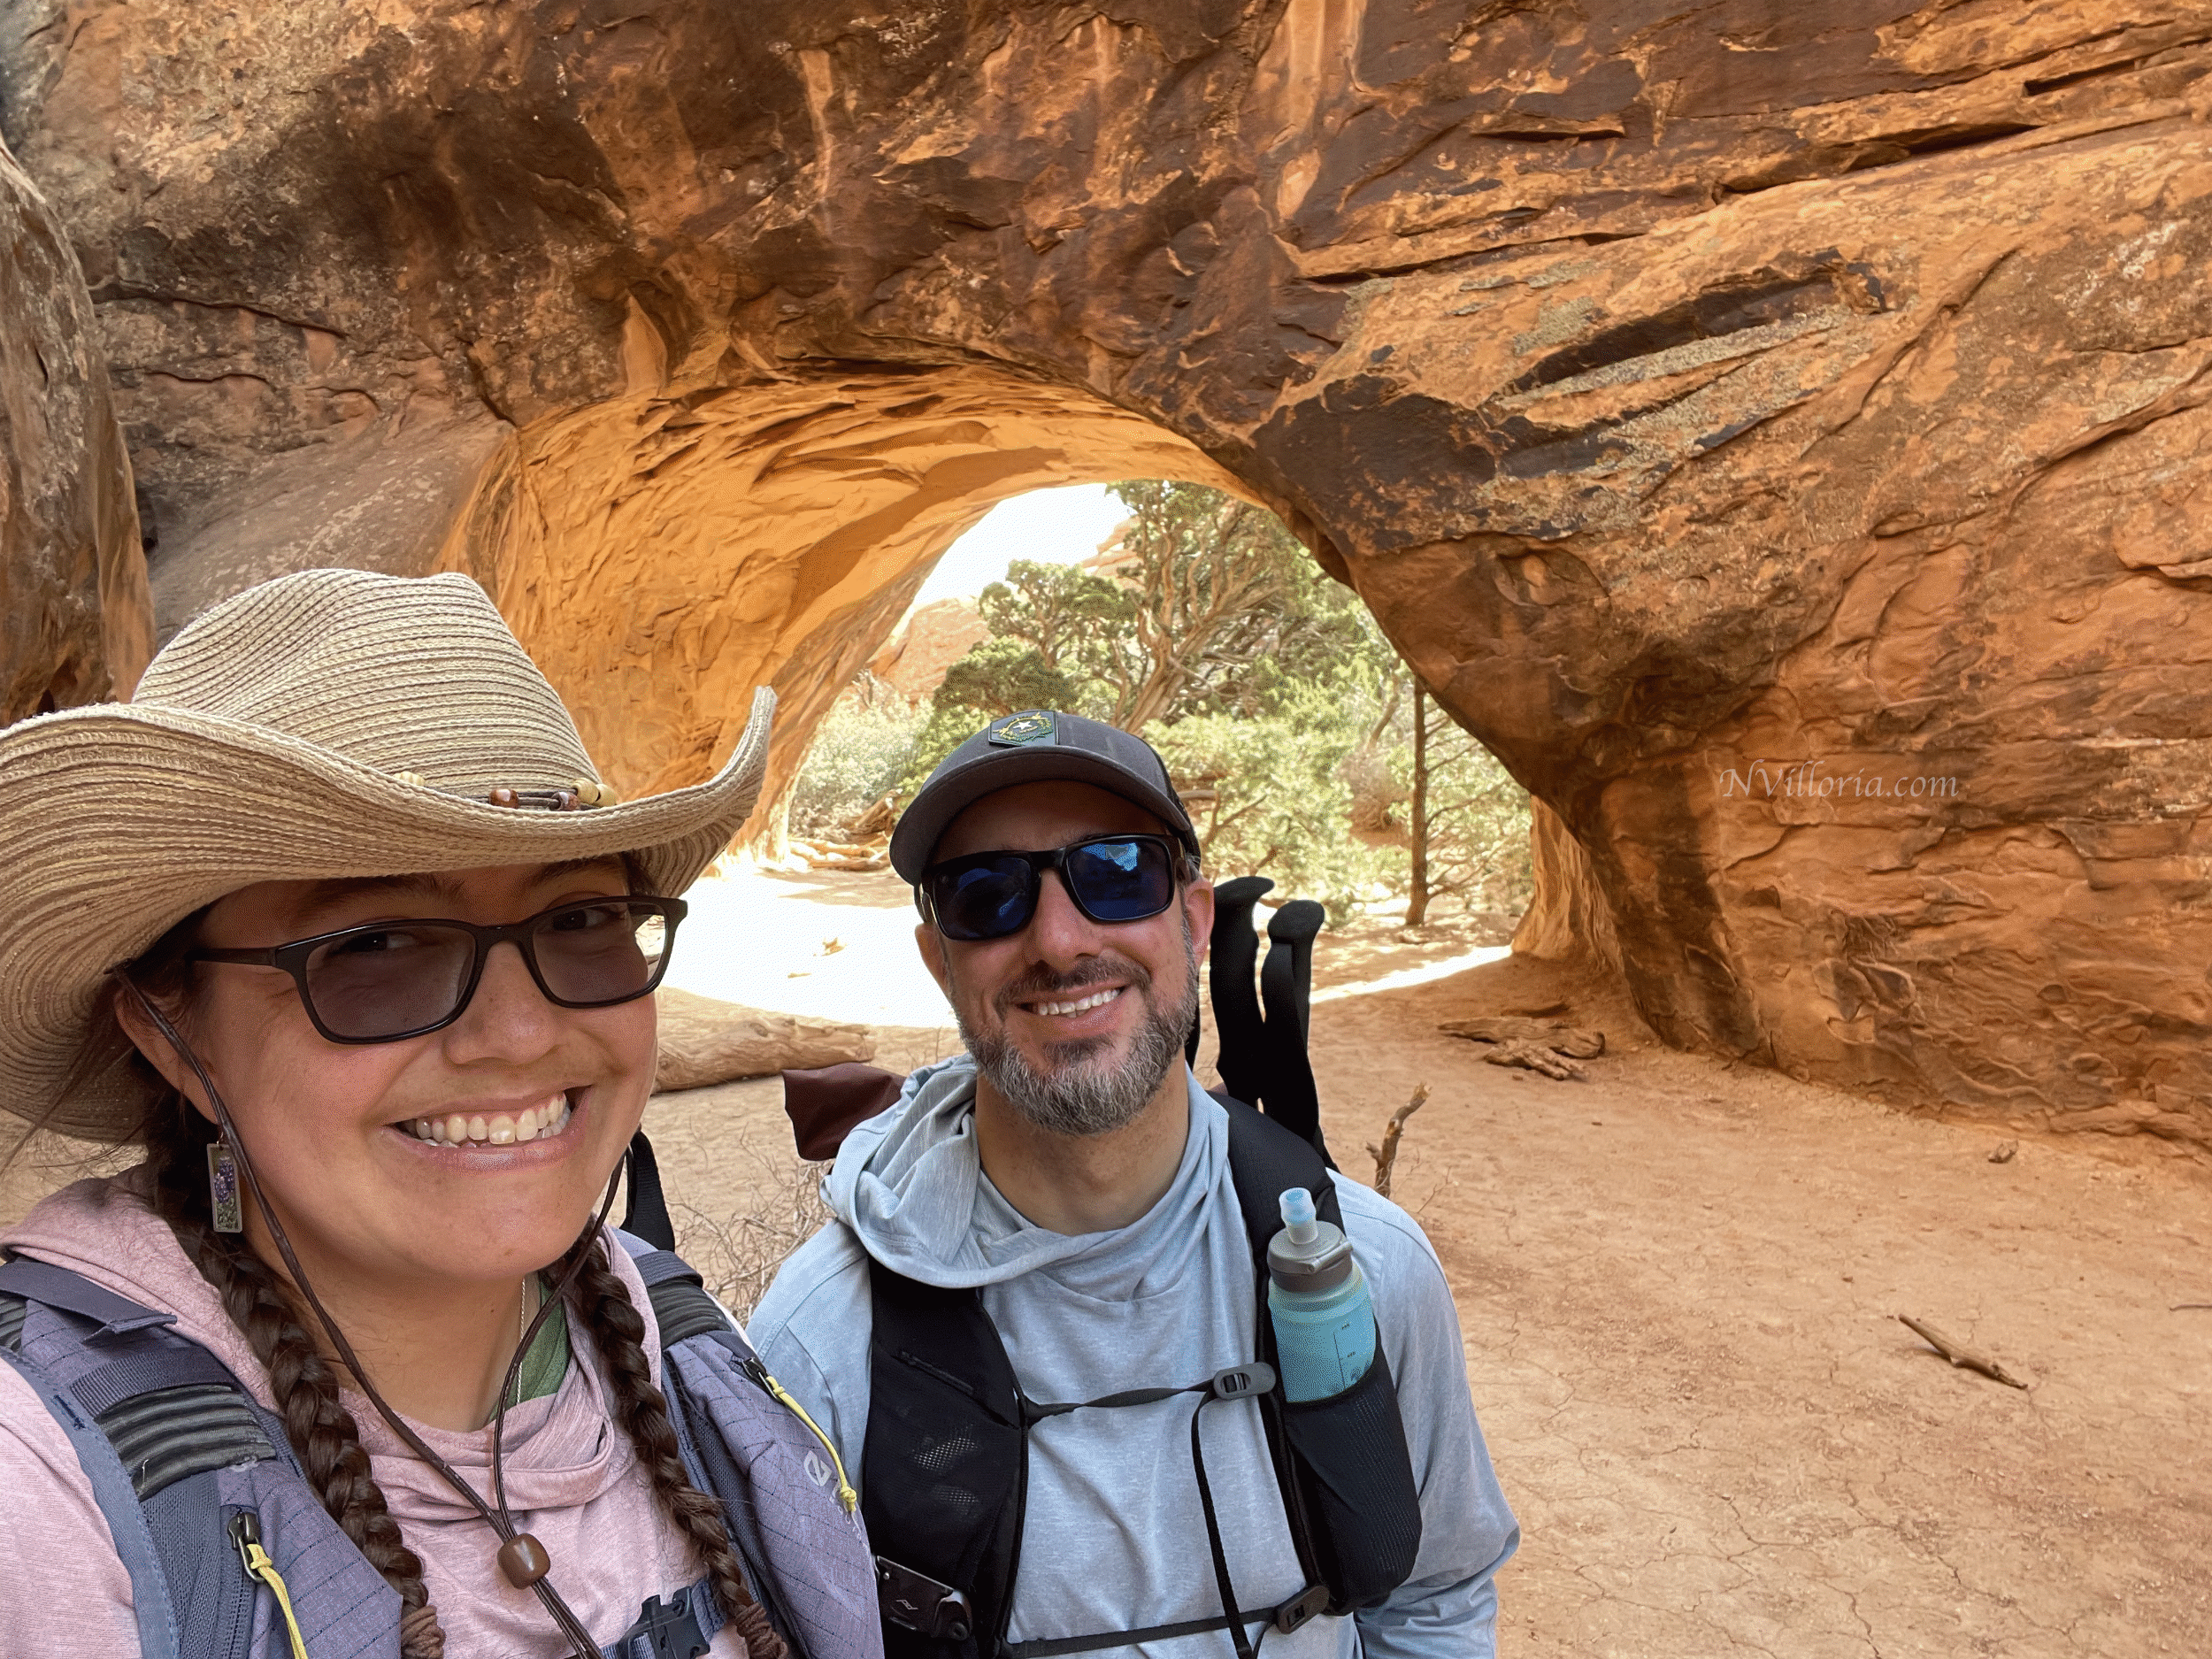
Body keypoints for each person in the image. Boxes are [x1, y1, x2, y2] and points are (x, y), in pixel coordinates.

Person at [0, 569, 879, 1659]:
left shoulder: (669, 1335)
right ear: (166, 1034)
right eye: (374, 947)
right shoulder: (38, 1485)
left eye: (582, 920)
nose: (517, 1035)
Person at [748, 710, 1517, 1658]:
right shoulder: (824, 1342)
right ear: (937, 959)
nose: (1060, 940)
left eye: (1117, 874)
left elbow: (1433, 1600)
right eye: (986, 895)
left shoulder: (1371, 1272)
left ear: (1192, 922)